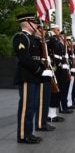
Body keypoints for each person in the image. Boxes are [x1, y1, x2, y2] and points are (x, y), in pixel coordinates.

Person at [12, 13, 53, 143]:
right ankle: (23, 135)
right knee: (26, 107)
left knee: (33, 106)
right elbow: (25, 59)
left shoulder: (33, 39)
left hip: (34, 77)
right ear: (26, 23)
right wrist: (40, 71)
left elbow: (40, 56)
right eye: (34, 23)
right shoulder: (21, 38)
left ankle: (29, 133)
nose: (36, 25)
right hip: (27, 76)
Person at [34, 25, 56, 131]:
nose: (43, 32)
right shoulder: (35, 41)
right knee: (42, 101)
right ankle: (40, 124)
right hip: (41, 74)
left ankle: (43, 122)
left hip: (47, 72)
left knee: (46, 100)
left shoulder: (44, 41)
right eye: (40, 30)